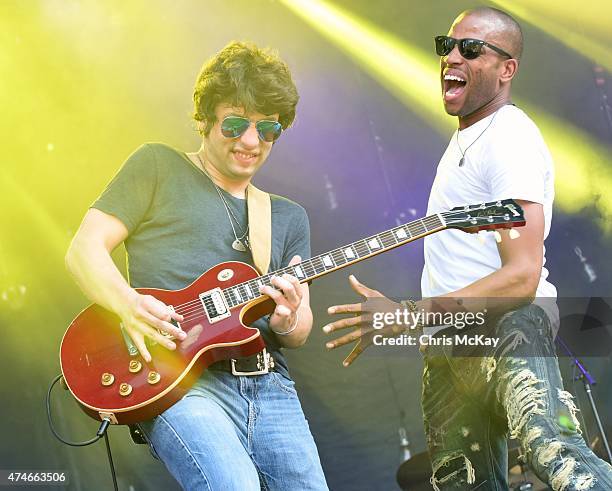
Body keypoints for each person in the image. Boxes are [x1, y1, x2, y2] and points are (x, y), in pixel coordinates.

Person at [324, 7, 612, 490]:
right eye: (448, 45)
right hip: (450, 343)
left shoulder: (508, 137)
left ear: (507, 69)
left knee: (555, 454)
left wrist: (409, 315)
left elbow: (521, 276)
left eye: (471, 49)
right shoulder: (465, 145)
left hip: (506, 326)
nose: (451, 56)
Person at [65, 41, 328, 491]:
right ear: (206, 118)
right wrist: (128, 304)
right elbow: (84, 249)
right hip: (180, 381)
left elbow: (298, 329)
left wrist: (286, 318)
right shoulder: (157, 166)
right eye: (235, 123)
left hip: (270, 386)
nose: (251, 141)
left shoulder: (287, 216)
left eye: (267, 129)